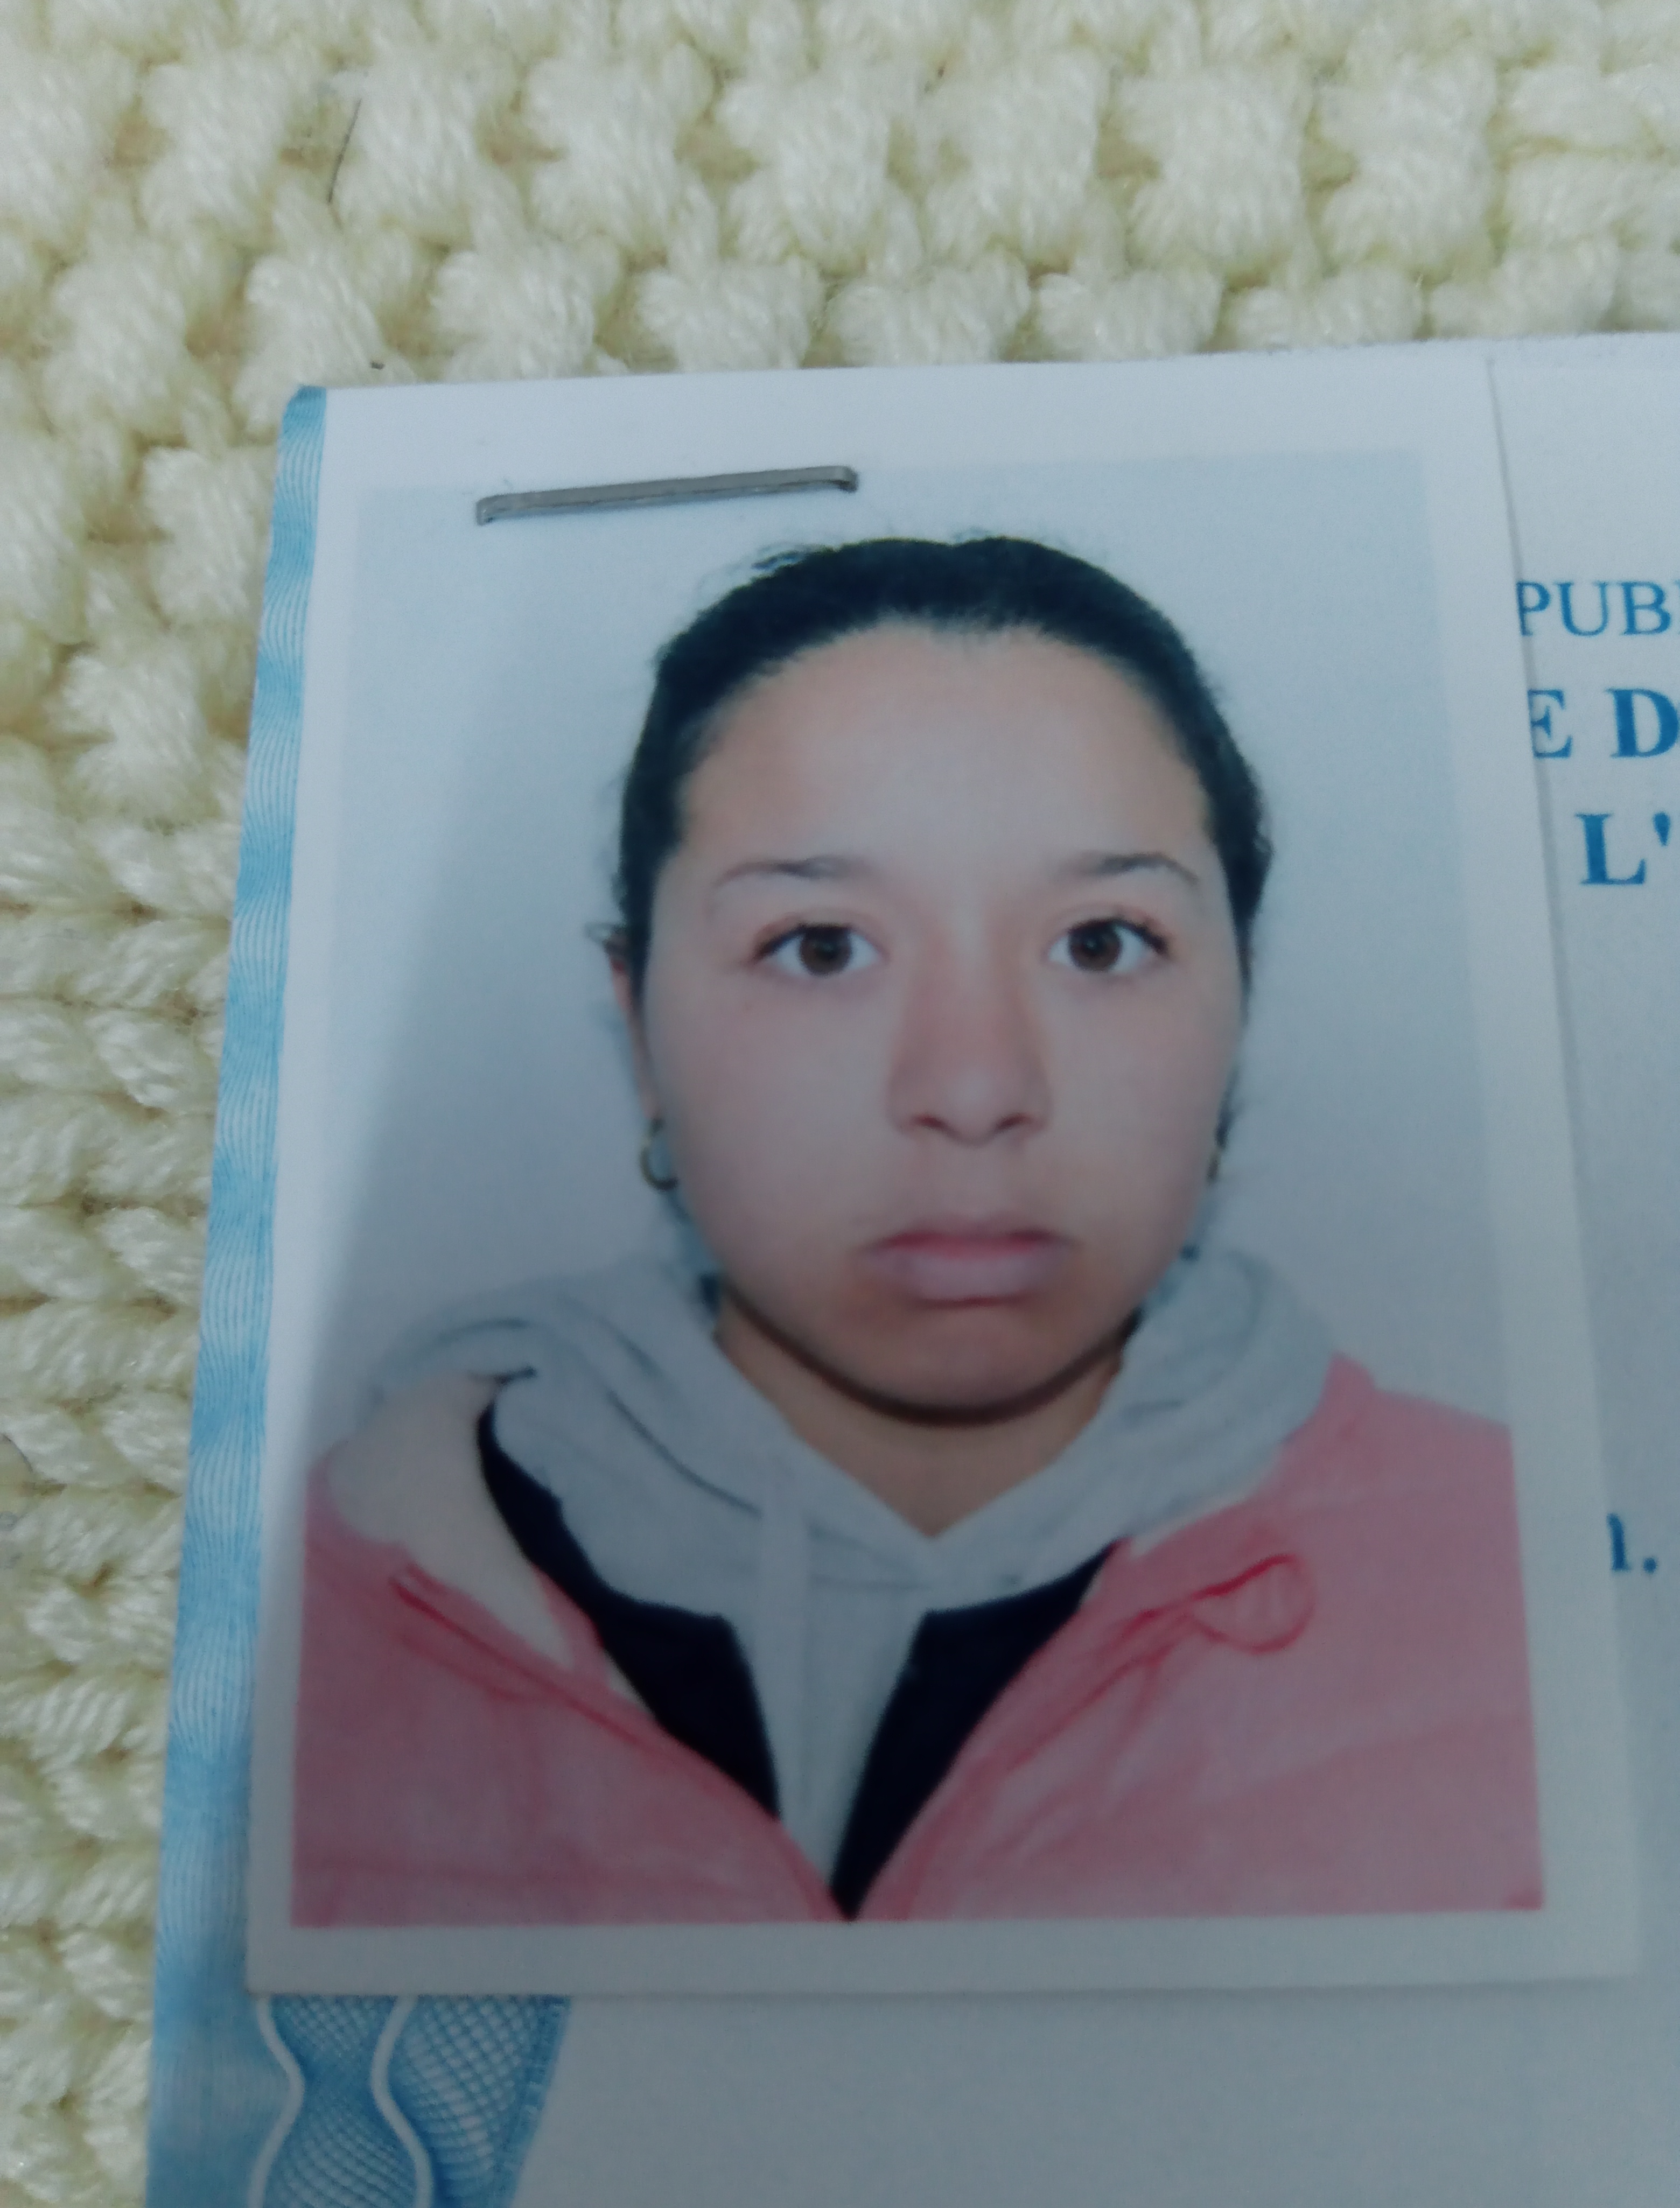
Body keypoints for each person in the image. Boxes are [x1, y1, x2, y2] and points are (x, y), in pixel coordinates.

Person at [292, 536, 1541, 1928]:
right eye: (822, 947)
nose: (974, 1087)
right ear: (639, 1024)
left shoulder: (1519, 1585)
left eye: (1100, 942)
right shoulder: (299, 1623)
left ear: (1239, 1004)